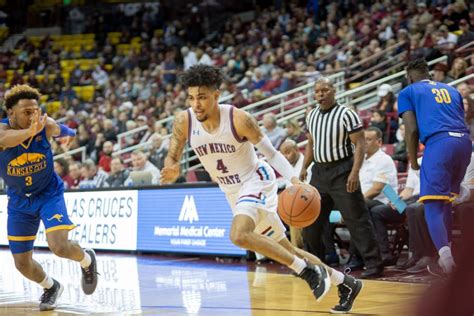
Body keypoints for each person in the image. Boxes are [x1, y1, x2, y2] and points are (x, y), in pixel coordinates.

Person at [160, 65, 363, 314]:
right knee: (285, 249)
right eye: (191, 98)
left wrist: (293, 180)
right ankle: (346, 283)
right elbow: (173, 156)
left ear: (216, 95)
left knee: (238, 235)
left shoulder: (239, 119)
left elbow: (272, 154)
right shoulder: (185, 120)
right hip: (231, 190)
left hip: (255, 180)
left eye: (202, 97)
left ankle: (306, 271)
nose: (196, 104)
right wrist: (170, 168)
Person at [0, 85, 98, 311]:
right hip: (19, 202)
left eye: (35, 110)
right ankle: (51, 286)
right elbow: (7, 138)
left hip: (48, 194)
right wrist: (32, 130)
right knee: (22, 264)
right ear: (10, 113)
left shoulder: (45, 125)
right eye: (26, 112)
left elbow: (62, 129)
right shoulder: (3, 133)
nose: (33, 115)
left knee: (59, 247)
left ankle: (87, 260)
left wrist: (69, 136)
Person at [301, 77, 383, 278]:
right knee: (310, 222)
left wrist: (354, 172)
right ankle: (316, 265)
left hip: (342, 171)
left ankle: (374, 263)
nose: (320, 94)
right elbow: (311, 144)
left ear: (334, 91)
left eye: (325, 90)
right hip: (319, 173)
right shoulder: (311, 115)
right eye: (317, 91)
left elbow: (360, 144)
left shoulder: (347, 114)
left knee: (357, 219)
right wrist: (304, 167)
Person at [399, 59, 472, 274]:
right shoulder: (452, 90)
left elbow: (411, 130)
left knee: (432, 203)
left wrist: (413, 161)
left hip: (440, 144)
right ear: (428, 73)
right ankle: (446, 254)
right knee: (445, 201)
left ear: (409, 76)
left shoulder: (408, 91)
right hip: (464, 142)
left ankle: (447, 262)